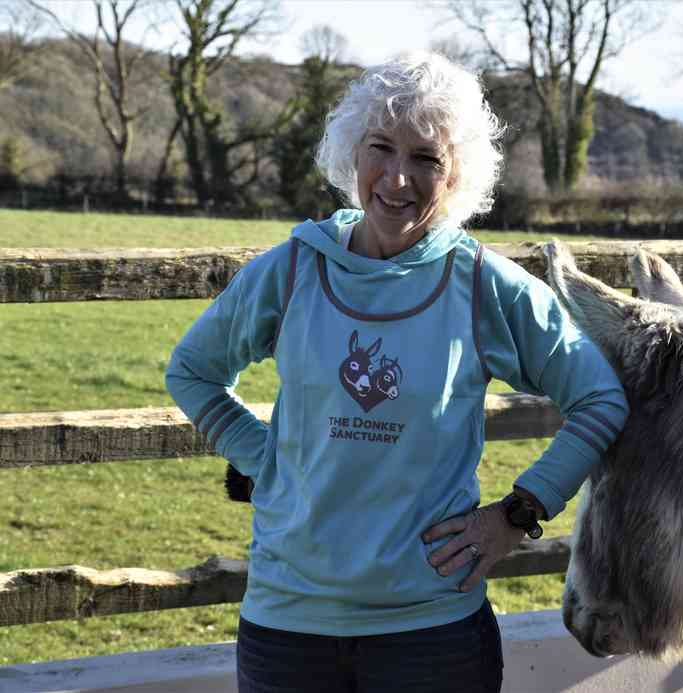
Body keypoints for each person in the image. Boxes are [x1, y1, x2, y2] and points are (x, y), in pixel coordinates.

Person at [165, 51, 628, 693]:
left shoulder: (483, 286)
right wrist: (266, 460)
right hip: (288, 628)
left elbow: (600, 398)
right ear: (352, 152)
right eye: (381, 147)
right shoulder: (292, 270)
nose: (398, 178)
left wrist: (518, 512)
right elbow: (191, 371)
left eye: (426, 158)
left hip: (433, 638)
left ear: (457, 174)